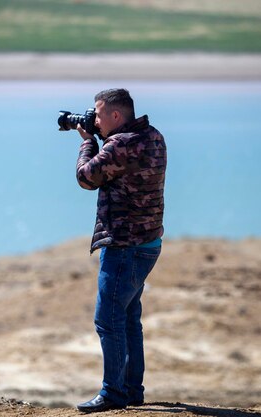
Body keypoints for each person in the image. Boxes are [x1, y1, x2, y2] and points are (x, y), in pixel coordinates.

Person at [73, 88, 167, 413]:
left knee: (107, 319)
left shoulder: (120, 144)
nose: (94, 119)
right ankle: (131, 389)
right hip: (148, 243)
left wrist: (87, 141)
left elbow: (86, 177)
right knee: (128, 319)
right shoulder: (153, 136)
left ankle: (114, 393)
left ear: (116, 116)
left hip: (125, 245)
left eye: (98, 115)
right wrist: (98, 137)